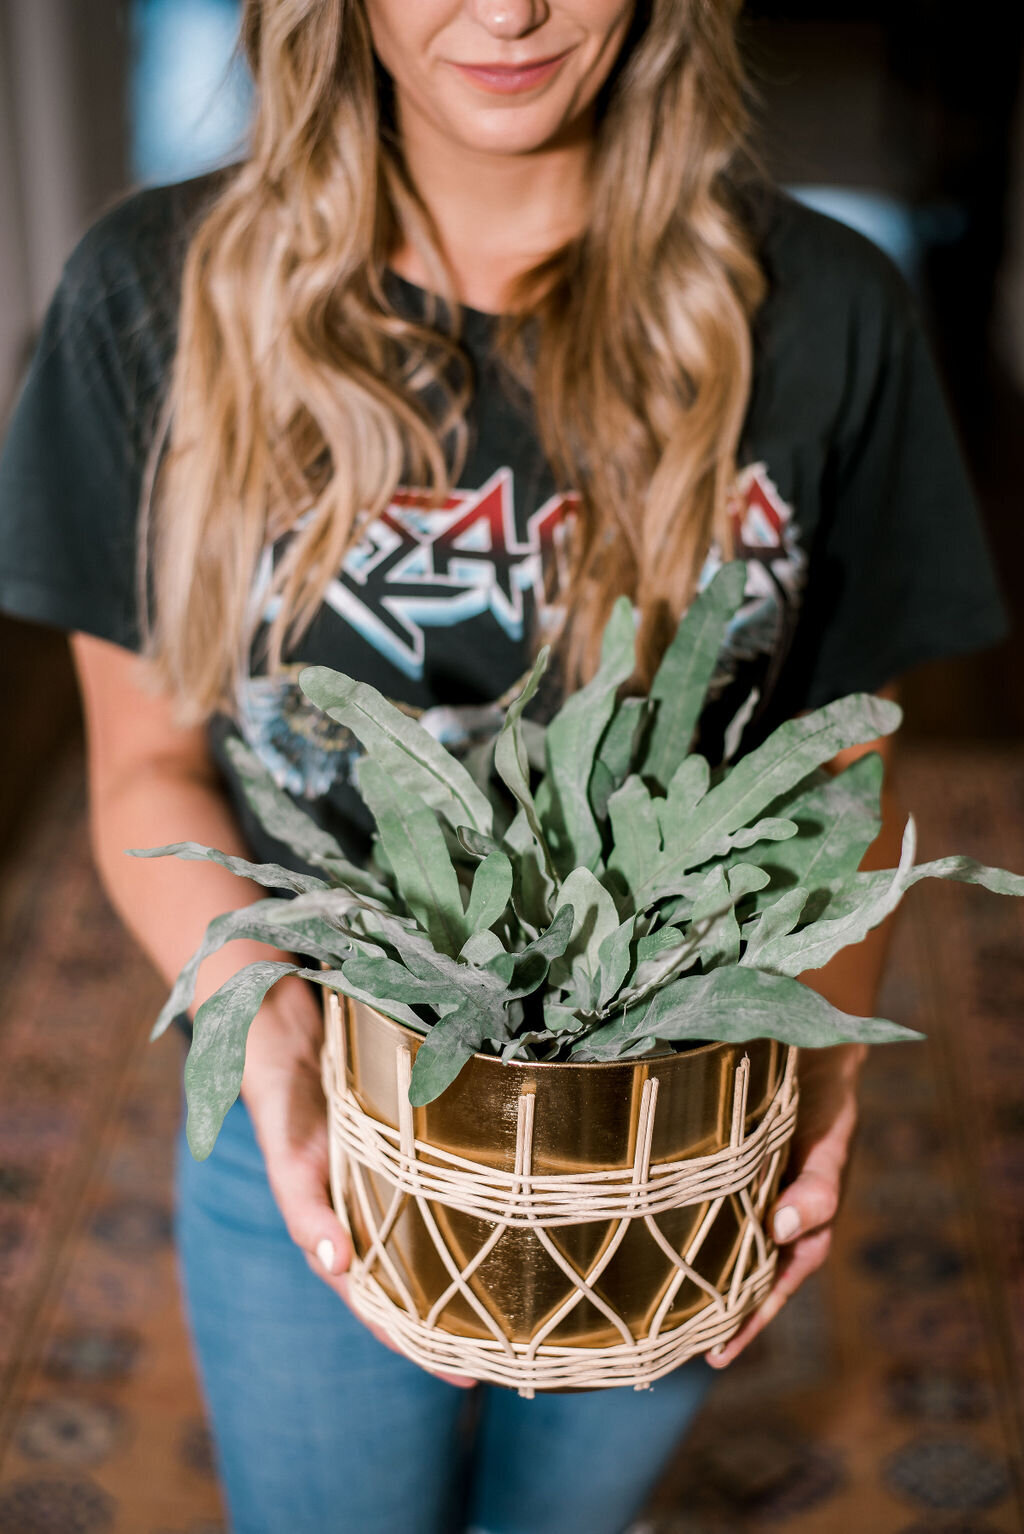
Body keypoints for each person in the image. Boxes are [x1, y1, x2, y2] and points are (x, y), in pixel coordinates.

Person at [0, 2, 1010, 1531]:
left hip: (665, 1141)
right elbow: (143, 764)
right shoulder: (150, 297)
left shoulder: (831, 312)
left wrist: (815, 1058)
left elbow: (834, 786)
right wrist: (264, 1030)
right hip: (323, 1103)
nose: (511, 10)